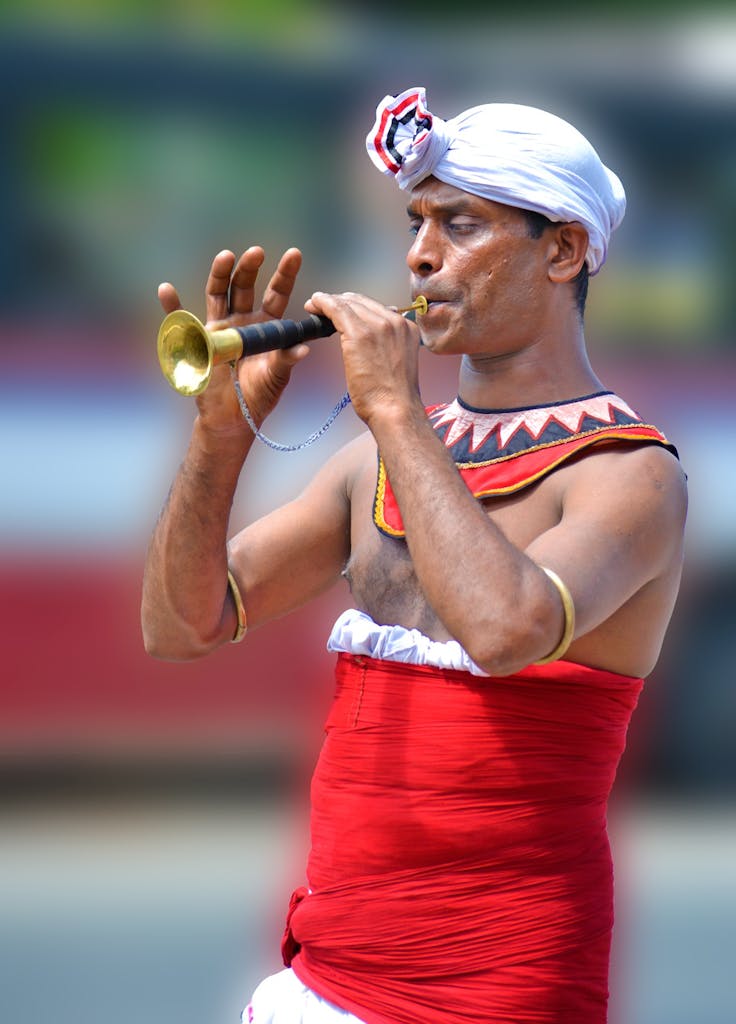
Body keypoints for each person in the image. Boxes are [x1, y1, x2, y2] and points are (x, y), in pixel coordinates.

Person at [141, 87, 687, 1024]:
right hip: (326, 976)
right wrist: (220, 438)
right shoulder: (379, 465)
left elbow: (506, 628)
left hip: (504, 988)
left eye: (461, 225)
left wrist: (394, 408)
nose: (419, 257)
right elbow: (179, 626)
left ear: (562, 251)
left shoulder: (629, 474)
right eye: (417, 223)